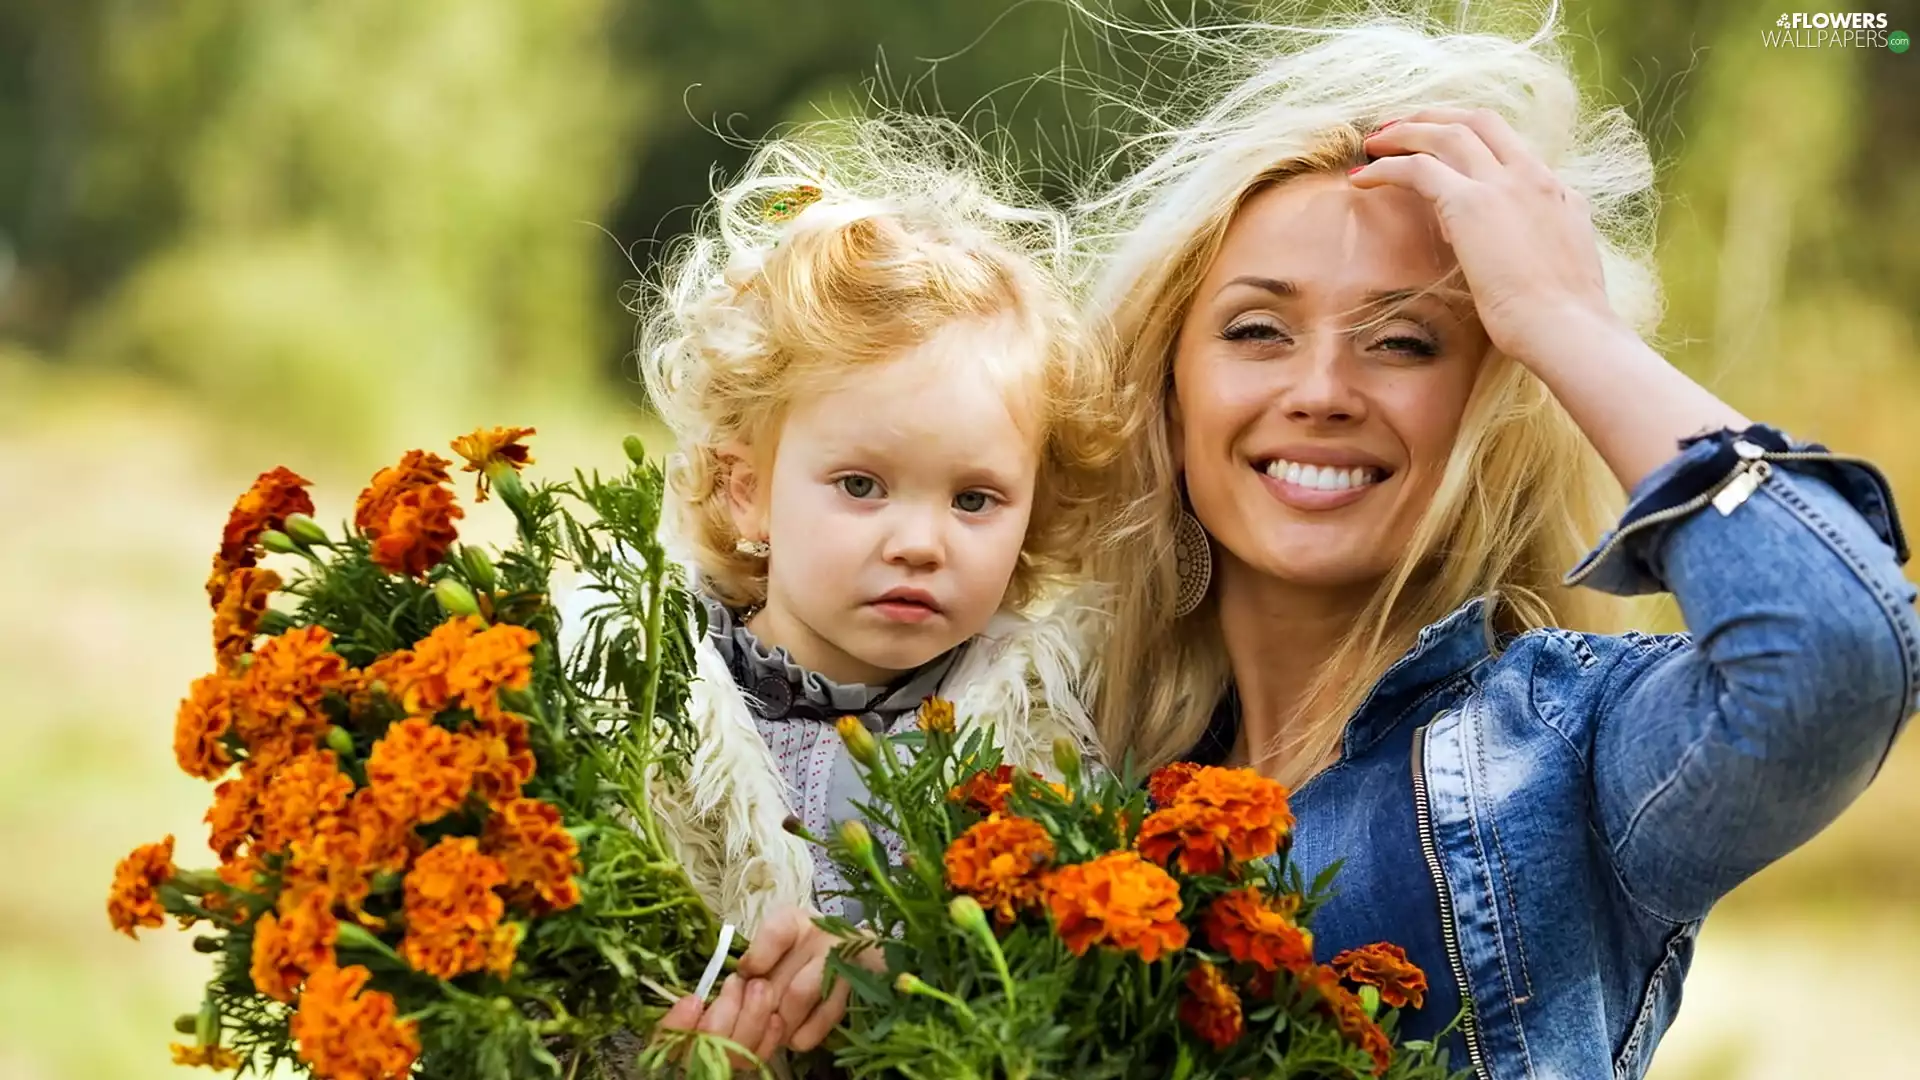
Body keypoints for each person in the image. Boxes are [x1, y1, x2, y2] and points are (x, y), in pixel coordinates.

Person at [1071, 12, 1918, 1079]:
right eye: (1257, 331)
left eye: (1404, 341)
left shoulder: (1562, 760)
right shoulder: (1078, 779)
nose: (1322, 390)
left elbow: (1834, 655)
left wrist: (1568, 321)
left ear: (1494, 411)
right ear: (1168, 392)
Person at [634, 118, 1116, 1066]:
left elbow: (1072, 995)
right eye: (861, 485)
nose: (920, 543)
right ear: (746, 490)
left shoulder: (1047, 740)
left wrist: (912, 962)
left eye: (974, 499)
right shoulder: (647, 717)